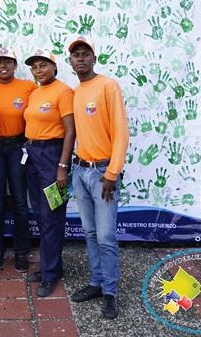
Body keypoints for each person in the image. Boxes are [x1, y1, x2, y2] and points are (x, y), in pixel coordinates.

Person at [67, 36, 129, 319]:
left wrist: (112, 173)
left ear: (94, 58)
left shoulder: (108, 86)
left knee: (105, 236)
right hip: (80, 171)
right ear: (70, 62)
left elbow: (121, 131)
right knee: (90, 233)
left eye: (85, 54)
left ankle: (110, 293)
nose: (80, 58)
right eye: (75, 55)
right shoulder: (76, 92)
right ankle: (96, 282)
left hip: (103, 173)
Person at [23, 49, 75, 297]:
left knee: (52, 216)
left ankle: (50, 274)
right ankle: (51, 266)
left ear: (54, 67)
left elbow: (70, 131)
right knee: (42, 215)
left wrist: (62, 166)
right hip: (32, 155)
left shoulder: (63, 91)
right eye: (34, 67)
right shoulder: (35, 92)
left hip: (53, 156)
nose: (38, 70)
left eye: (43, 65)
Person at [0, 48, 36, 272]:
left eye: (8, 62)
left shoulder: (28, 87)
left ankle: (22, 251)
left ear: (15, 65)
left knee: (20, 201)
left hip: (18, 148)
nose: (3, 66)